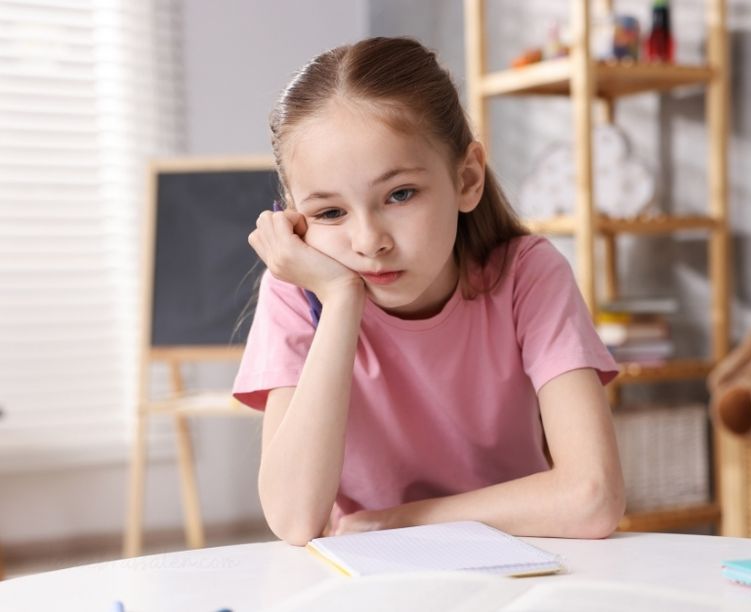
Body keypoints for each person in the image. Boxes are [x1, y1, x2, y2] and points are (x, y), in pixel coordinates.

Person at [234, 37, 625, 546]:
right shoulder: (299, 293)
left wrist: (399, 520)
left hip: (521, 558)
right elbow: (293, 520)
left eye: (400, 195)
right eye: (330, 212)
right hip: (371, 579)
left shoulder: (527, 275)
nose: (369, 241)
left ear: (467, 178)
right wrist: (341, 299)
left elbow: (592, 499)